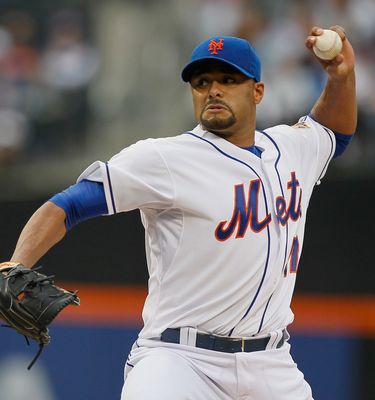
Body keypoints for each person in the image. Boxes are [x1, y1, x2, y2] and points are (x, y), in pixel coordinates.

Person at [2, 25, 356, 399]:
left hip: (271, 362)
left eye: (228, 79)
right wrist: (16, 262)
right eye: (201, 82)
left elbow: (334, 131)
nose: (213, 90)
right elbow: (69, 204)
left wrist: (340, 76)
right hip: (180, 360)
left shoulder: (289, 149)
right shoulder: (166, 158)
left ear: (258, 91)